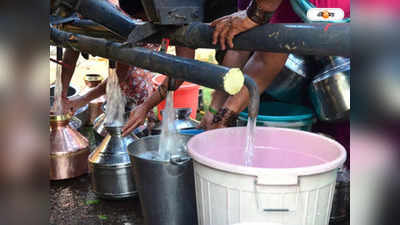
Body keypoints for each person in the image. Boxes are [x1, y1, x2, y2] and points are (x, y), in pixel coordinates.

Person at [198, 0, 350, 129]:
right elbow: (239, 47)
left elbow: (268, 57)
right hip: (309, 54)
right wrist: (214, 108)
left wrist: (225, 116)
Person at [61, 0, 195, 128]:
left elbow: (183, 69)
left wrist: (145, 106)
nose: (142, 21)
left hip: (136, 85)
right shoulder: (109, 13)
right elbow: (71, 47)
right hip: (122, 82)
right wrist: (62, 94)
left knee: (135, 122)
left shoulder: (180, 10)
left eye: (143, 19)